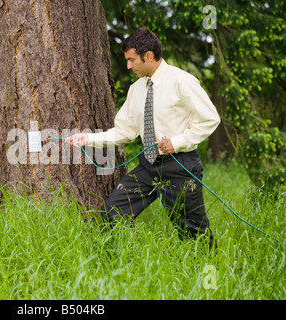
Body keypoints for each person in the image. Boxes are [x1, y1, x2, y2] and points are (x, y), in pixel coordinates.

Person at [66, 27, 221, 250]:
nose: (129, 66)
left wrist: (176, 142)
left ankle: (210, 275)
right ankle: (114, 266)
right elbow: (125, 131)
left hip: (180, 166)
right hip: (148, 167)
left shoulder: (182, 81)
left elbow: (209, 119)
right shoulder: (136, 89)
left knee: (191, 230)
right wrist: (87, 139)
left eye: (132, 60)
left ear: (148, 56)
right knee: (111, 213)